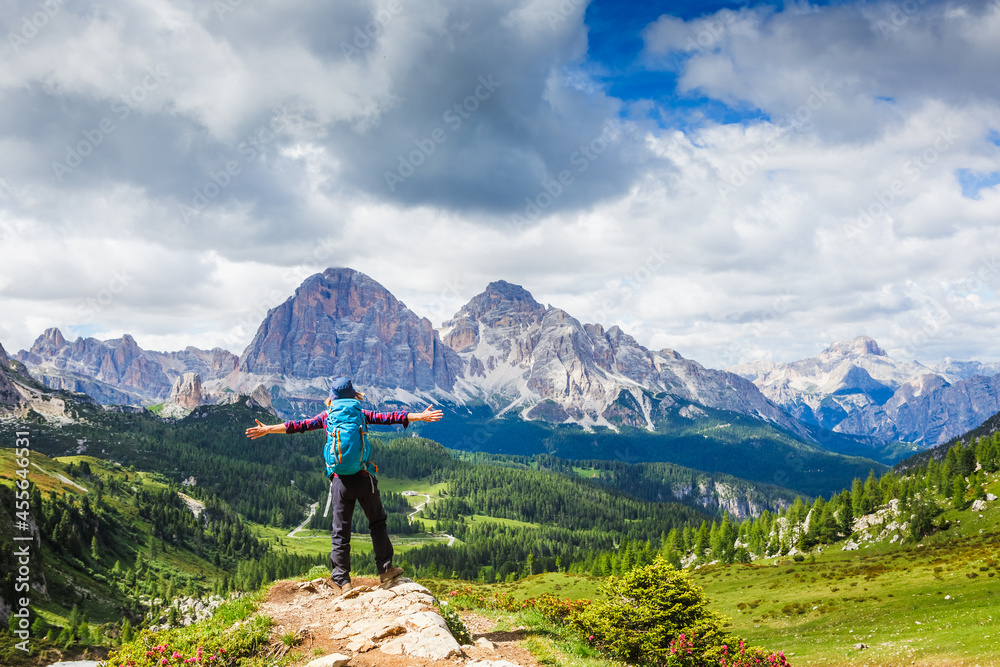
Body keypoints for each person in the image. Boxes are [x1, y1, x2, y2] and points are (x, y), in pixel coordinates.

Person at [245, 376, 443, 591]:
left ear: (332, 397)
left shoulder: (327, 416)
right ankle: (386, 570)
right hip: (364, 477)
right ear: (352, 395)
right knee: (377, 523)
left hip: (339, 481)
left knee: (340, 530)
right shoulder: (360, 413)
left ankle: (342, 580)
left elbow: (297, 426)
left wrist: (268, 429)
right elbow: (390, 417)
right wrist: (420, 416)